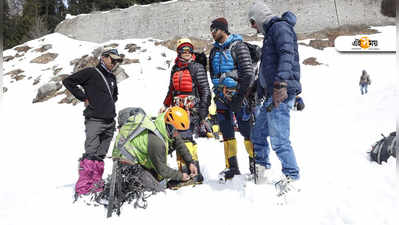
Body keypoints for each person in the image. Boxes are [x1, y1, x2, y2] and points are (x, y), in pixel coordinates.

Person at [248, 1, 301, 193]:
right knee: (259, 133)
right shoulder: (270, 34)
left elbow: (288, 55)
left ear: (259, 17)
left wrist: (281, 84)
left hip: (280, 93)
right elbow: (267, 67)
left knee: (279, 139)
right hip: (272, 93)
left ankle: (292, 177)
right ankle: (261, 171)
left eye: (252, 22)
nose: (253, 27)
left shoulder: (280, 28)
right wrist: (257, 88)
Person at [62, 48, 122, 196]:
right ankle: (83, 187)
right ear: (103, 57)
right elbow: (68, 81)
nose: (114, 63)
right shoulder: (91, 72)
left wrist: (105, 103)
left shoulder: (112, 77)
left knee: (101, 155)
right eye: (112, 60)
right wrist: (83, 97)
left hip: (109, 121)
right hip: (95, 120)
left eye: (117, 61)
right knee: (91, 153)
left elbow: (114, 96)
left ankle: (96, 183)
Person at [208, 17, 255, 181]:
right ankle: (232, 167)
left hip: (239, 97)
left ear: (222, 29)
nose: (212, 33)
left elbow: (248, 74)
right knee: (227, 133)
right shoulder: (213, 51)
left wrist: (240, 97)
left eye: (214, 30)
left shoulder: (239, 46)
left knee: (247, 131)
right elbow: (212, 73)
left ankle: (255, 165)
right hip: (221, 97)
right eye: (211, 31)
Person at [162, 38, 211, 183]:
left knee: (185, 138)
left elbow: (206, 91)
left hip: (192, 109)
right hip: (177, 109)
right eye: (184, 50)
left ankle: (192, 174)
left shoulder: (197, 67)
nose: (187, 52)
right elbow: (171, 90)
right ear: (179, 52)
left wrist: (203, 110)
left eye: (189, 49)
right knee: (178, 138)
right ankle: (185, 172)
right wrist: (165, 105)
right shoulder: (175, 68)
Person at [112, 106, 198, 184]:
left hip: (141, 153)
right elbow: (162, 171)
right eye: (178, 131)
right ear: (171, 127)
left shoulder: (162, 122)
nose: (179, 135)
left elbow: (179, 143)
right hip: (126, 160)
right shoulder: (157, 143)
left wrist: (190, 162)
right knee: (156, 186)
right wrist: (180, 176)